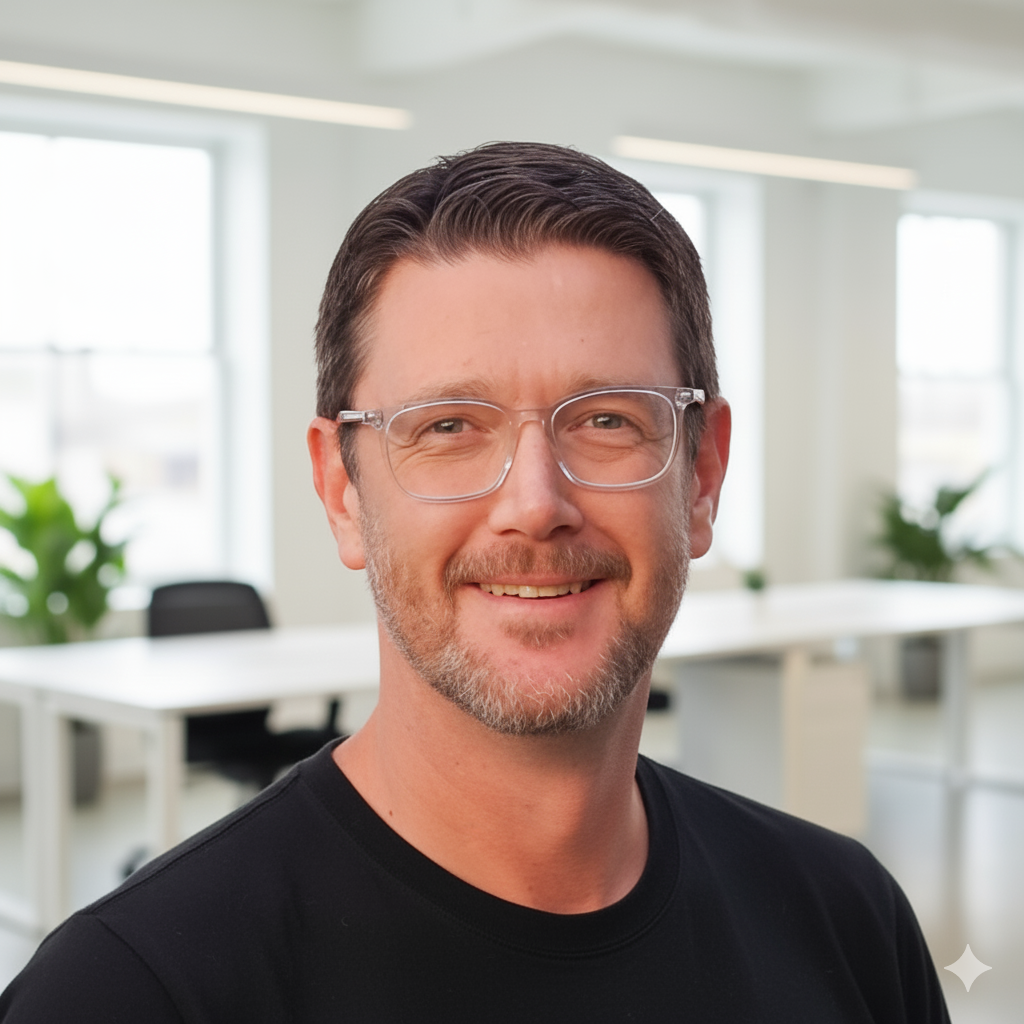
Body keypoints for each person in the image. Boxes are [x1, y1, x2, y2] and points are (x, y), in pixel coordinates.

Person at [0, 142, 949, 1022]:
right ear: (341, 490)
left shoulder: (848, 922)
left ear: (700, 479)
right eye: (449, 427)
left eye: (608, 420)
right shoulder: (127, 995)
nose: (536, 504)